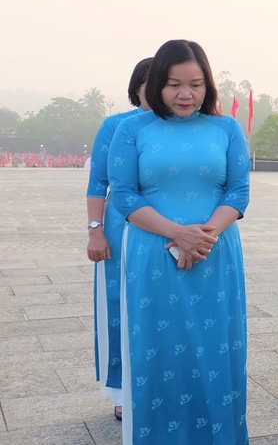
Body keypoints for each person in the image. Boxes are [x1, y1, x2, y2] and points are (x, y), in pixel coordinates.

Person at [108, 39, 250, 444]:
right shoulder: (132, 128)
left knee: (216, 350)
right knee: (159, 349)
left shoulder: (226, 128)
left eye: (196, 84)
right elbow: (124, 195)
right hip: (153, 255)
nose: (186, 94)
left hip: (215, 254)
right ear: (155, 84)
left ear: (209, 86)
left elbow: (238, 192)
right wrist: (176, 233)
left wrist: (202, 237)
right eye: (173, 84)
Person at [84, 56, 152, 421]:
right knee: (119, 306)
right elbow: (98, 183)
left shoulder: (181, 128)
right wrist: (95, 231)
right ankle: (122, 389)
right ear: (137, 87)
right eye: (150, 82)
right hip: (121, 228)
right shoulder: (115, 127)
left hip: (167, 228)